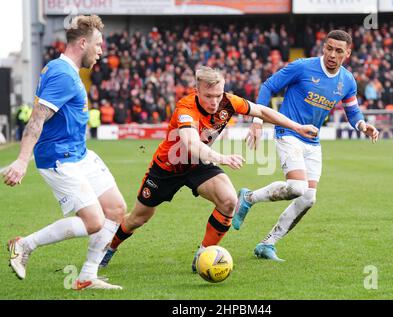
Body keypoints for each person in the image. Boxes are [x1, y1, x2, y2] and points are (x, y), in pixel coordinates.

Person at [98, 66, 318, 271]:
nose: (215, 102)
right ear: (197, 91)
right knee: (138, 218)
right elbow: (191, 144)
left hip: (198, 165)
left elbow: (261, 111)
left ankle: (203, 255)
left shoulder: (229, 102)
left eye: (218, 95)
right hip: (167, 168)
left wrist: (297, 127)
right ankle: (110, 247)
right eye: (208, 96)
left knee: (229, 200)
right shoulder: (186, 108)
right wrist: (221, 157)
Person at [2, 15, 126, 290]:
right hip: (59, 158)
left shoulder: (65, 70)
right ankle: (24, 245)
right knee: (94, 222)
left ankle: (87, 276)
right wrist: (22, 161)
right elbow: (37, 117)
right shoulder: (62, 73)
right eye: (98, 44)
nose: (101, 50)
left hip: (79, 154)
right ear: (83, 43)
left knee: (116, 209)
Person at [233, 30, 380, 261]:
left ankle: (267, 243)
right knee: (298, 187)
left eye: (339, 51)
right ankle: (248, 199)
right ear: (324, 47)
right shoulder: (302, 67)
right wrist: (258, 120)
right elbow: (268, 86)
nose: (332, 54)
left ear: (348, 53)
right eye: (329, 48)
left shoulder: (347, 80)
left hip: (312, 140)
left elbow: (352, 110)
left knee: (308, 198)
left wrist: (363, 125)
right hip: (288, 132)